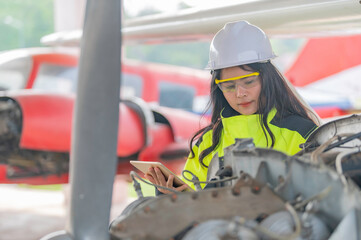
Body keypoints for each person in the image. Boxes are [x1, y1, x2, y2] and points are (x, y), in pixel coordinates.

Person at [145, 20, 319, 193]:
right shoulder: (207, 143)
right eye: (228, 86)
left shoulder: (303, 135)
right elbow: (194, 204)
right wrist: (172, 196)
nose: (239, 93)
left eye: (249, 82)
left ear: (268, 79)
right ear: (218, 88)